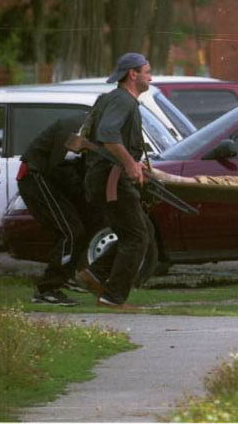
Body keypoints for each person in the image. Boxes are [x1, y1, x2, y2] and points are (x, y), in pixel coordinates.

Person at [75, 52, 155, 309]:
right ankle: (113, 297)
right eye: (147, 71)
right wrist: (130, 164)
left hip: (106, 177)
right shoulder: (123, 100)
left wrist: (133, 162)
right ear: (133, 74)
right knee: (137, 236)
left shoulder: (118, 99)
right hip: (111, 180)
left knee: (139, 231)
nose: (150, 77)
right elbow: (108, 135)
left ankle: (95, 274)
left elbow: (110, 140)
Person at [17, 113, 98, 306]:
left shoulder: (93, 128)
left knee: (85, 225)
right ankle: (47, 289)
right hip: (37, 177)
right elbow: (58, 166)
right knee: (71, 232)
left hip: (50, 178)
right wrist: (83, 191)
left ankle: (65, 276)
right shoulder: (77, 128)